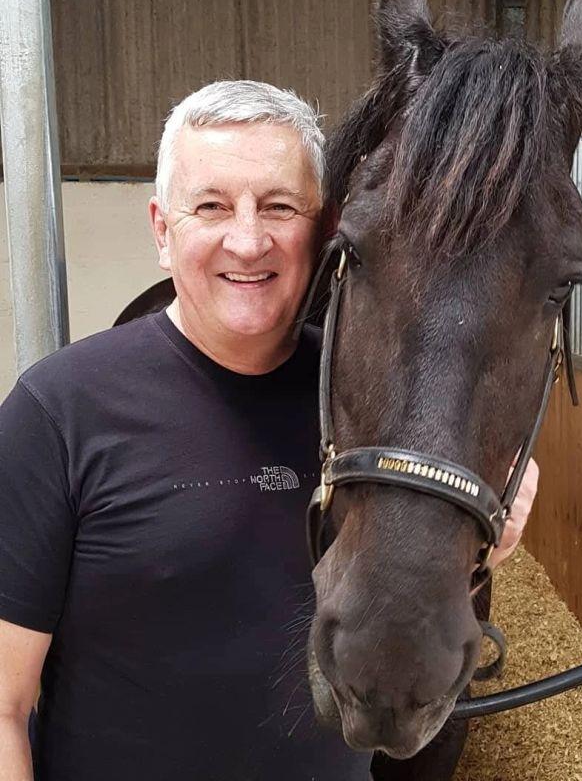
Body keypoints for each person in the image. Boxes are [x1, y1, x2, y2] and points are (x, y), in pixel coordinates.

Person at [0, 80, 538, 781]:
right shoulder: (57, 411)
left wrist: (483, 545)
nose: (248, 240)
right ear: (163, 230)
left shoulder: (370, 402)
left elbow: (399, 576)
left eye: (280, 207)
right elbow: (5, 705)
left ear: (325, 230)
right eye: (213, 206)